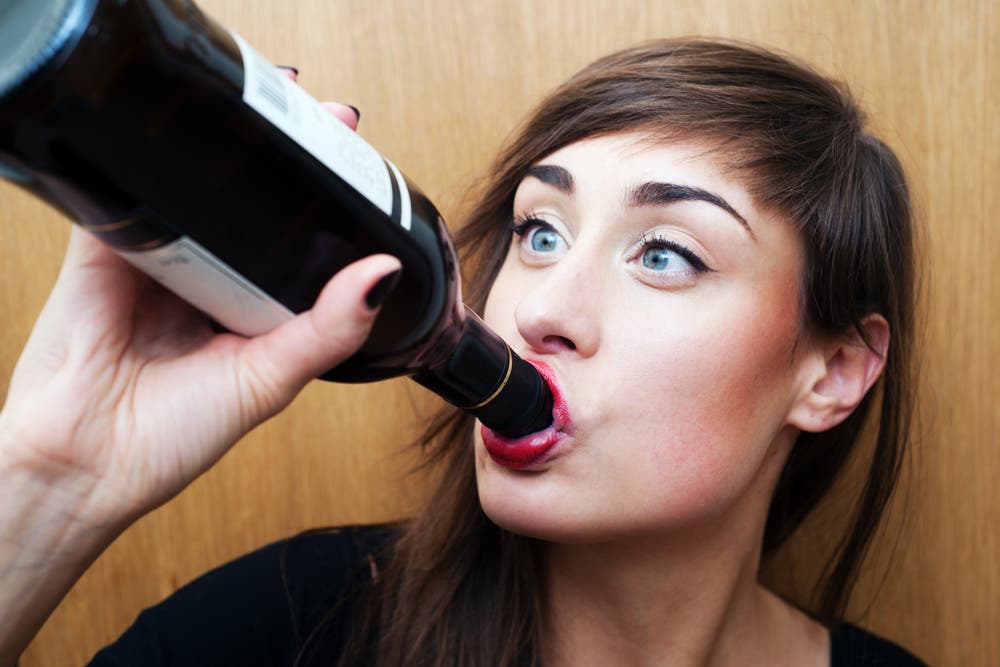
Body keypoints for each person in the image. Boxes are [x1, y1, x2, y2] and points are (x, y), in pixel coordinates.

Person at [0, 38, 927, 666]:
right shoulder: (294, 627)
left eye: (664, 254)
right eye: (540, 233)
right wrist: (53, 479)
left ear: (833, 372)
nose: (540, 310)